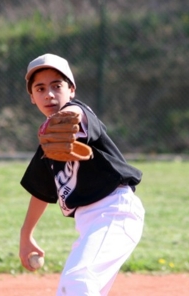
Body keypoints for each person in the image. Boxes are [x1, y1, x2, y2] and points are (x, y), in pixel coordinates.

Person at [19, 53, 145, 296]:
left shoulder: (78, 116)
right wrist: (26, 235)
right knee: (75, 288)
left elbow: (79, 115)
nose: (50, 94)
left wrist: (70, 116)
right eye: (40, 88)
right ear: (32, 98)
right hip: (90, 222)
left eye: (57, 86)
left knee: (77, 281)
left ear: (72, 90)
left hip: (115, 211)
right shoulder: (49, 145)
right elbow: (41, 192)